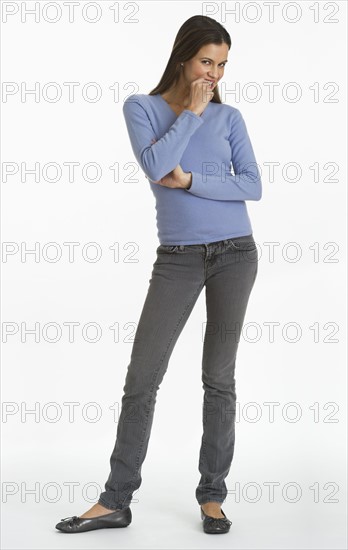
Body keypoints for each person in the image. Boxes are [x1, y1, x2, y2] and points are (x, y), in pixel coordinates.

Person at [55, 14, 262, 536]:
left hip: (237, 254)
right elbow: (155, 166)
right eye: (206, 61)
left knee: (219, 380)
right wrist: (191, 113)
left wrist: (191, 179)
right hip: (179, 258)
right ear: (183, 58)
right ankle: (116, 499)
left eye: (222, 65)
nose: (213, 74)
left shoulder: (231, 117)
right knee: (142, 379)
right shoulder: (142, 108)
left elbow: (253, 186)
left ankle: (212, 496)